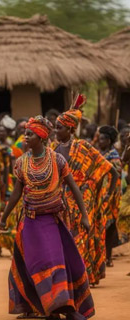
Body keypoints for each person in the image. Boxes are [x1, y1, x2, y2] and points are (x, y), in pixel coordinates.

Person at [0, 116, 94, 320]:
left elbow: (74, 189)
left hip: (52, 221)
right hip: (30, 222)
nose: (25, 137)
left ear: (41, 137)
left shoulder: (57, 160)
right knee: (33, 265)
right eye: (25, 133)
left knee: (55, 262)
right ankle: (43, 307)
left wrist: (85, 216)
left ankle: (62, 307)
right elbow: (16, 193)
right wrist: (3, 219)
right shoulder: (22, 162)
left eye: (29, 134)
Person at [54, 94, 118, 286]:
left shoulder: (83, 147)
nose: (56, 131)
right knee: (66, 237)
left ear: (71, 129)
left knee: (81, 237)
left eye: (60, 127)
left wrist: (108, 194)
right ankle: (74, 276)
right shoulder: (54, 148)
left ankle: (82, 277)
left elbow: (112, 171)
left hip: (84, 198)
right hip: (62, 200)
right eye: (56, 127)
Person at [98, 126, 122, 268]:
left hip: (111, 194)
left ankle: (108, 257)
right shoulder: (101, 153)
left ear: (109, 140)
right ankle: (103, 257)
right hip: (102, 193)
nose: (99, 141)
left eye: (102, 139)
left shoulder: (113, 156)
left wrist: (109, 194)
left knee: (110, 225)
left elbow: (116, 176)